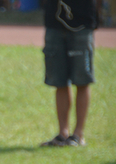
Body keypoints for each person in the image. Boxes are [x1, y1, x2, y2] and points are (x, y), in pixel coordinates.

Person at [40, 0, 99, 147]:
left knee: (82, 80)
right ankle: (63, 134)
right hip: (54, 23)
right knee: (59, 81)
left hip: (81, 23)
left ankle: (78, 135)